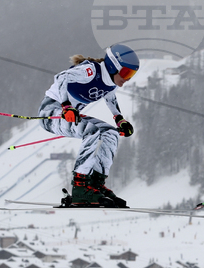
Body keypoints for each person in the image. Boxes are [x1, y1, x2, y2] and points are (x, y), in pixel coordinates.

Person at [37, 43, 139, 207]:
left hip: (70, 115)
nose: (127, 79)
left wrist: (119, 120)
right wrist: (66, 106)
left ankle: (95, 184)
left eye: (131, 75)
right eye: (126, 72)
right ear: (113, 66)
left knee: (111, 133)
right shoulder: (90, 71)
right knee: (91, 131)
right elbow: (61, 77)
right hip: (50, 113)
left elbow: (110, 97)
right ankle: (80, 188)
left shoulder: (111, 82)